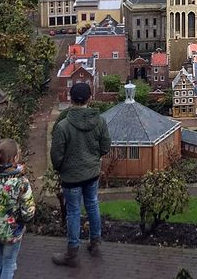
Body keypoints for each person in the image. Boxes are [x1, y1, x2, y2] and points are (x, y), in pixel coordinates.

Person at [51, 82, 111, 267]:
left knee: (74, 211)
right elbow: (105, 147)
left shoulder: (63, 126)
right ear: (90, 98)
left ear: (70, 99)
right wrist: (93, 159)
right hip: (91, 173)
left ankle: (72, 254)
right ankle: (95, 243)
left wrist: (60, 168)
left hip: (71, 176)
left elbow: (56, 155)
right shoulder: (99, 121)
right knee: (92, 205)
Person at [0, 139, 36, 279]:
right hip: (11, 232)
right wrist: (23, 221)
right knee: (9, 264)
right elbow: (28, 210)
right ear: (16, 158)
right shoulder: (20, 182)